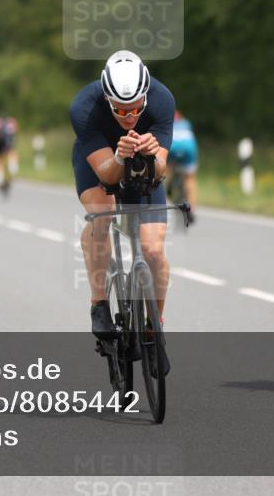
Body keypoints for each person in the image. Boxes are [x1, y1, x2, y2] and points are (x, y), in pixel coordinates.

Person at [70, 50, 175, 340]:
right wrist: (119, 156)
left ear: (145, 96)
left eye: (136, 108)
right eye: (120, 110)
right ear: (107, 98)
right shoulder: (84, 107)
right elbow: (107, 176)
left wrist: (152, 154)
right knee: (102, 215)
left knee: (153, 250)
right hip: (98, 161)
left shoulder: (162, 100)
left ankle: (154, 326)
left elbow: (160, 170)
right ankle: (99, 303)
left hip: (144, 163)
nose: (130, 117)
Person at [168, 110, 199, 224]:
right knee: (190, 178)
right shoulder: (186, 123)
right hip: (188, 148)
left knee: (165, 166)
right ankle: (192, 209)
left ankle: (168, 186)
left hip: (172, 147)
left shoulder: (164, 122)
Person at [0, 113, 19, 193]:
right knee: (12, 154)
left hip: (0, 142)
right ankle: (13, 170)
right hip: (10, 141)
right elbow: (15, 131)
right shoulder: (12, 121)